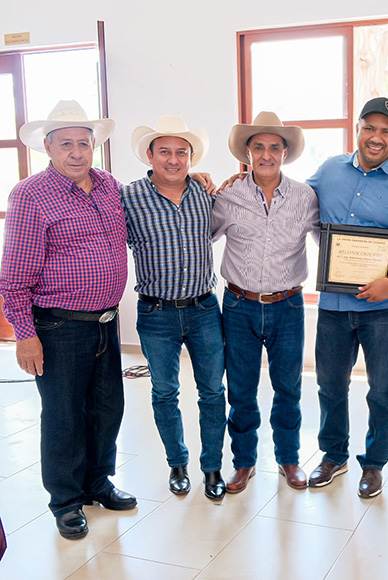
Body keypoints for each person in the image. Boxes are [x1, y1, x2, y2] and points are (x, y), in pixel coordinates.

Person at [0, 101, 136, 540]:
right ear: (48, 147)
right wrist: (25, 335)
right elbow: (13, 277)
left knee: (107, 409)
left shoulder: (110, 185)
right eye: (66, 144)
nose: (76, 153)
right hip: (59, 327)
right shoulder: (30, 195)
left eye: (83, 143)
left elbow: (151, 201)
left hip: (106, 322)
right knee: (64, 416)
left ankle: (97, 483)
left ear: (94, 145)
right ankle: (65, 500)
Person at [305, 97, 388, 498]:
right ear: (358, 129)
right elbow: (296, 203)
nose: (377, 137)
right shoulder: (329, 170)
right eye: (370, 128)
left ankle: (374, 464)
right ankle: (333, 455)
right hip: (334, 306)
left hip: (384, 309)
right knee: (330, 385)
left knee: (381, 388)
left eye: (386, 131)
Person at [212, 112, 319, 492]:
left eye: (275, 147)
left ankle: (289, 459)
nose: (267, 155)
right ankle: (243, 463)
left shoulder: (305, 197)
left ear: (285, 153)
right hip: (238, 306)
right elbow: (199, 234)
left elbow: (331, 242)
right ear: (248, 152)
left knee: (288, 389)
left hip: (287, 306)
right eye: (259, 147)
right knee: (240, 390)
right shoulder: (228, 196)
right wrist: (199, 185)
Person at [122, 115, 227, 500]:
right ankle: (177, 464)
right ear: (149, 155)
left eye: (181, 152)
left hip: (204, 310)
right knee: (165, 392)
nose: (173, 159)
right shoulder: (128, 198)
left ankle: (212, 467)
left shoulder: (205, 194)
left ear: (191, 158)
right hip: (156, 314)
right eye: (164, 151)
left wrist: (207, 179)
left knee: (212, 392)